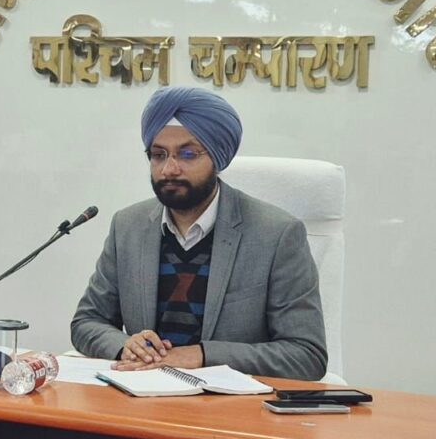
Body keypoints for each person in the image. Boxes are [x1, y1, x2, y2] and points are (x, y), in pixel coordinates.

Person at [70, 87, 327, 380]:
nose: (169, 169)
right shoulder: (128, 226)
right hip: (140, 393)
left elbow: (306, 355)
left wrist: (202, 355)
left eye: (188, 154)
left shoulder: (276, 234)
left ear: (217, 158)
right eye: (158, 155)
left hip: (228, 403)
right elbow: (87, 322)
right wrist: (125, 345)